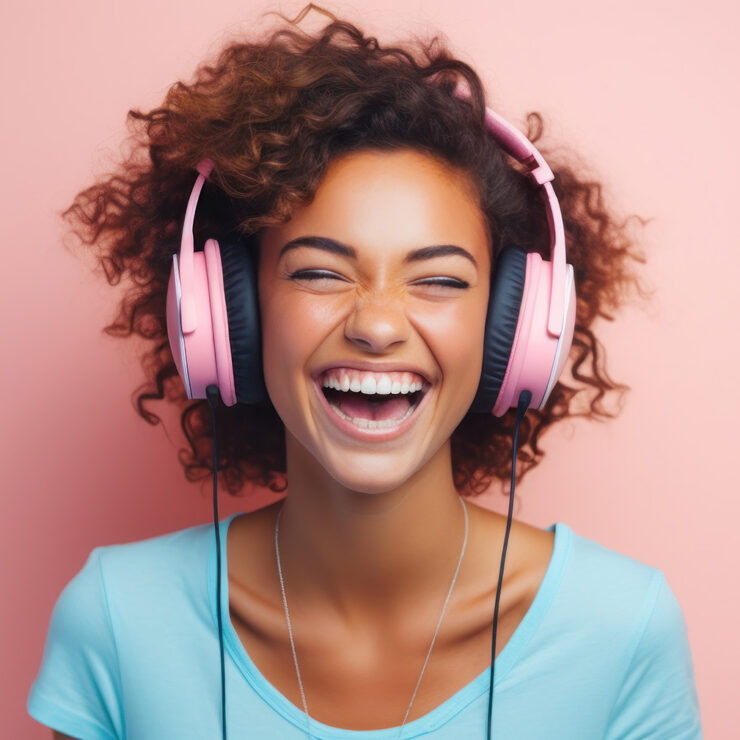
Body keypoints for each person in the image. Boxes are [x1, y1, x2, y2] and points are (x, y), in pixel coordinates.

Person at [27, 3, 702, 739]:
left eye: (439, 281)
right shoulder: (120, 623)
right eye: (319, 272)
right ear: (229, 314)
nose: (377, 325)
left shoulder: (620, 630)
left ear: (513, 329)